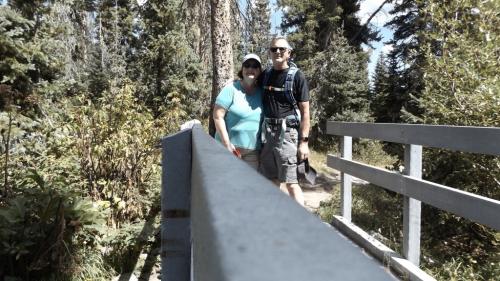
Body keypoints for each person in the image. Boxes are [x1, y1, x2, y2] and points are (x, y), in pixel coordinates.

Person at [259, 37, 310, 206]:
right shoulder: (265, 75)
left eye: (281, 49)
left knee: (291, 182)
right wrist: (233, 83)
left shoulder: (297, 77)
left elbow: (305, 112)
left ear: (289, 53)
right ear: (270, 52)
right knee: (270, 180)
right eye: (274, 49)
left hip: (288, 135)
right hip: (267, 135)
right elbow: (248, 83)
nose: (277, 52)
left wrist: (304, 142)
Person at [213, 54, 263, 170]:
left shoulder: (262, 93)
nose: (251, 69)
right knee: (227, 185)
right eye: (247, 65)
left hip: (253, 153)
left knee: (249, 187)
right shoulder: (231, 89)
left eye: (255, 66)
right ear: (242, 69)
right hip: (229, 150)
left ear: (260, 71)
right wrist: (226, 144)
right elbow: (217, 116)